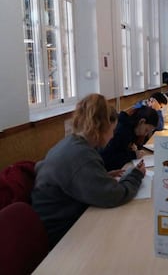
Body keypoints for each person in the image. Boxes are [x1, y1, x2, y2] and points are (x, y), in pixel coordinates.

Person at [31, 93, 147, 250]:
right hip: (64, 235)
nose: (113, 135)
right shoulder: (83, 155)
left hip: (60, 218)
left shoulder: (71, 143)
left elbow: (73, 179)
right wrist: (136, 175)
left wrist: (101, 176)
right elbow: (114, 195)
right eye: (112, 130)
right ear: (101, 127)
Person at [100, 106, 159, 170]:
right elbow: (110, 157)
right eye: (146, 130)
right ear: (141, 121)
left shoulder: (133, 128)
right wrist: (133, 155)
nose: (145, 134)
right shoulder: (122, 130)